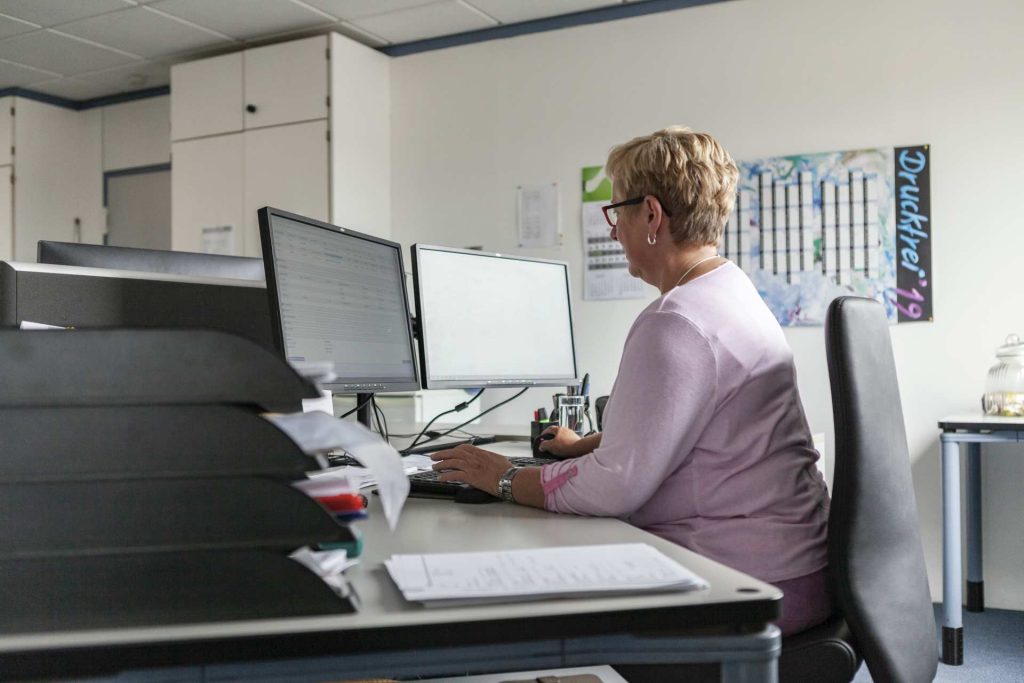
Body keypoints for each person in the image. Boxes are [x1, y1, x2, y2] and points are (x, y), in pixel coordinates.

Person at [430, 126, 831, 636]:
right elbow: (694, 425)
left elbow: (615, 488)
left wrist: (503, 477)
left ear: (651, 215)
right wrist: (587, 446)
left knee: (504, 587)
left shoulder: (677, 321)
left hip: (745, 587)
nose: (613, 230)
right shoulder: (728, 291)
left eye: (616, 211)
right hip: (792, 570)